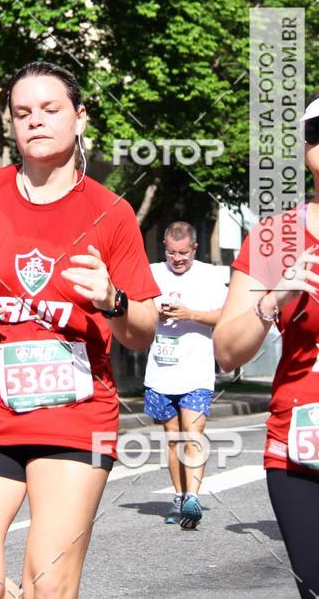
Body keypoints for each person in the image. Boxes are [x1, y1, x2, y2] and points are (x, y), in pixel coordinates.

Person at [0, 62, 159, 599]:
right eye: (22, 112)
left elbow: (141, 331)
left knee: (49, 585)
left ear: (79, 118)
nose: (35, 121)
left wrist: (112, 299)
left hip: (76, 417)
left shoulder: (112, 211)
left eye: (50, 110)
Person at [214, 97, 319, 599]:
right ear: (304, 151)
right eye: (318, 134)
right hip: (302, 448)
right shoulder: (275, 237)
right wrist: (272, 301)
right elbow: (227, 352)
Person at [143, 221, 227, 529]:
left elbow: (224, 316)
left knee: (193, 433)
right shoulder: (151, 273)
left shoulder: (210, 276)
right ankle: (178, 497)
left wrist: (190, 314)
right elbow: (137, 313)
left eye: (183, 253)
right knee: (173, 438)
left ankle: (192, 496)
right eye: (171, 252)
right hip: (160, 372)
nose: (177, 259)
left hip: (196, 371)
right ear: (164, 248)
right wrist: (156, 314)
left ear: (195, 249)